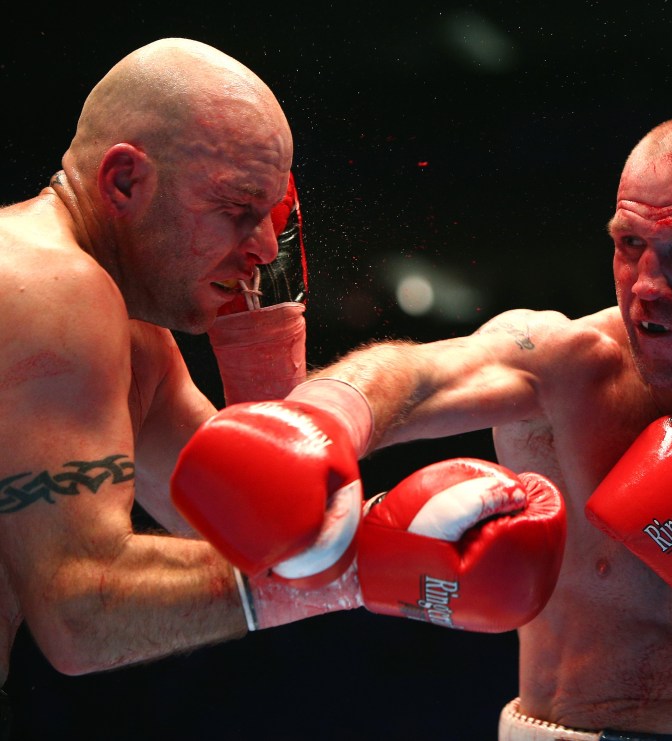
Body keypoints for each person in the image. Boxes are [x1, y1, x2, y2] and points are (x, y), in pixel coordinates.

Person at [174, 113, 672, 740]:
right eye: (629, 244)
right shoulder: (568, 366)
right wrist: (319, 420)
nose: (647, 286)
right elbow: (423, 373)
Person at [0, 36, 566, 737]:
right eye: (238, 208)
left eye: (271, 217)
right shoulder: (49, 284)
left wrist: (263, 345)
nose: (267, 247)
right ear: (123, 183)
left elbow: (267, 525)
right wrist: (366, 574)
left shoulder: (132, 336)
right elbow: (81, 613)